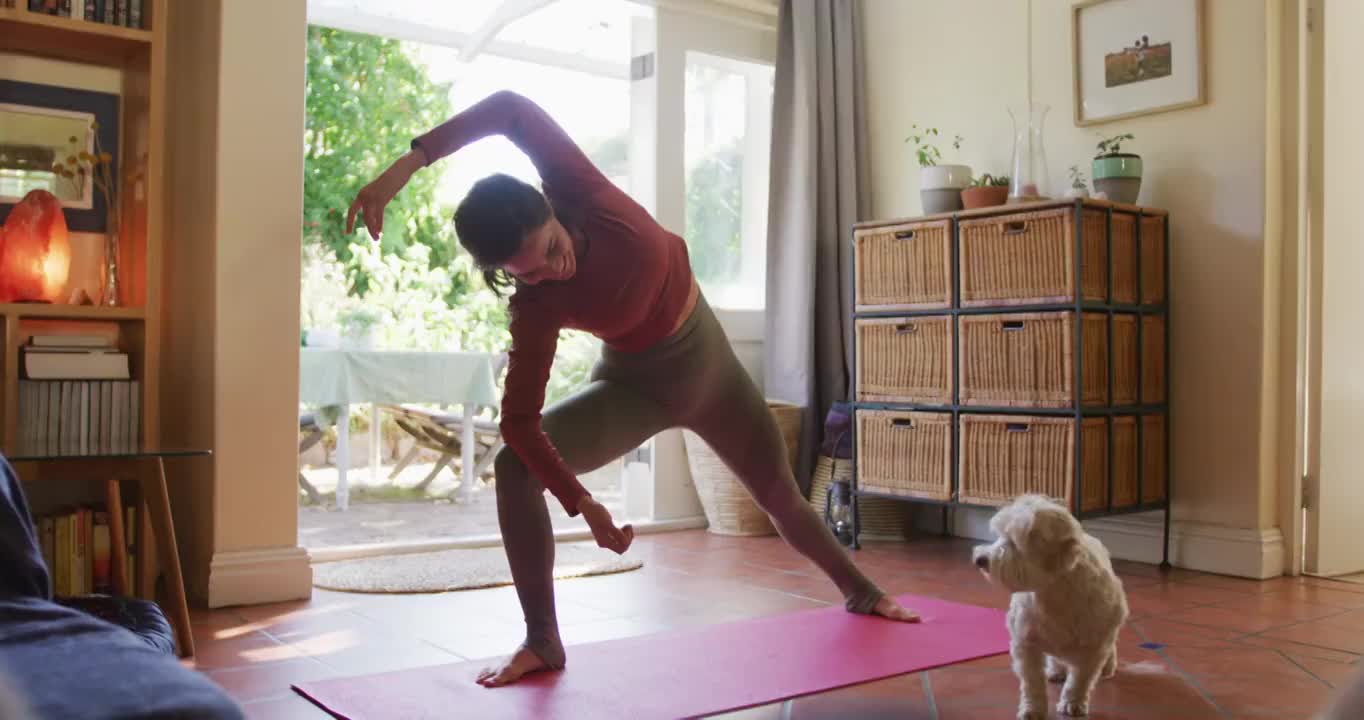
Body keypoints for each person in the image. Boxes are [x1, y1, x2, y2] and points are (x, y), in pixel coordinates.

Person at [347, 90, 918, 688]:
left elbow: (511, 111)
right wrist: (583, 503)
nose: (549, 271)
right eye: (528, 272)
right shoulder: (535, 306)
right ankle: (542, 639)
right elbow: (520, 422)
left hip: (711, 366)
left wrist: (404, 167)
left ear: (549, 208)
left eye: (548, 249)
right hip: (634, 389)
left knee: (780, 497)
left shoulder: (581, 190)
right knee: (515, 465)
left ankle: (861, 591)